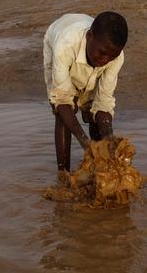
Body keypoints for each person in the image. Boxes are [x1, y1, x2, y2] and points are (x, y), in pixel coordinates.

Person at [44, 11, 128, 173]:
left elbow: (103, 101)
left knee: (92, 111)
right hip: (58, 37)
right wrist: (85, 142)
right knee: (63, 111)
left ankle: (99, 168)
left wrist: (109, 140)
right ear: (89, 36)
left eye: (111, 56)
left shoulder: (115, 56)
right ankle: (63, 173)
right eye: (102, 53)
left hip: (85, 39)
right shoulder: (65, 46)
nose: (104, 60)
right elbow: (62, 101)